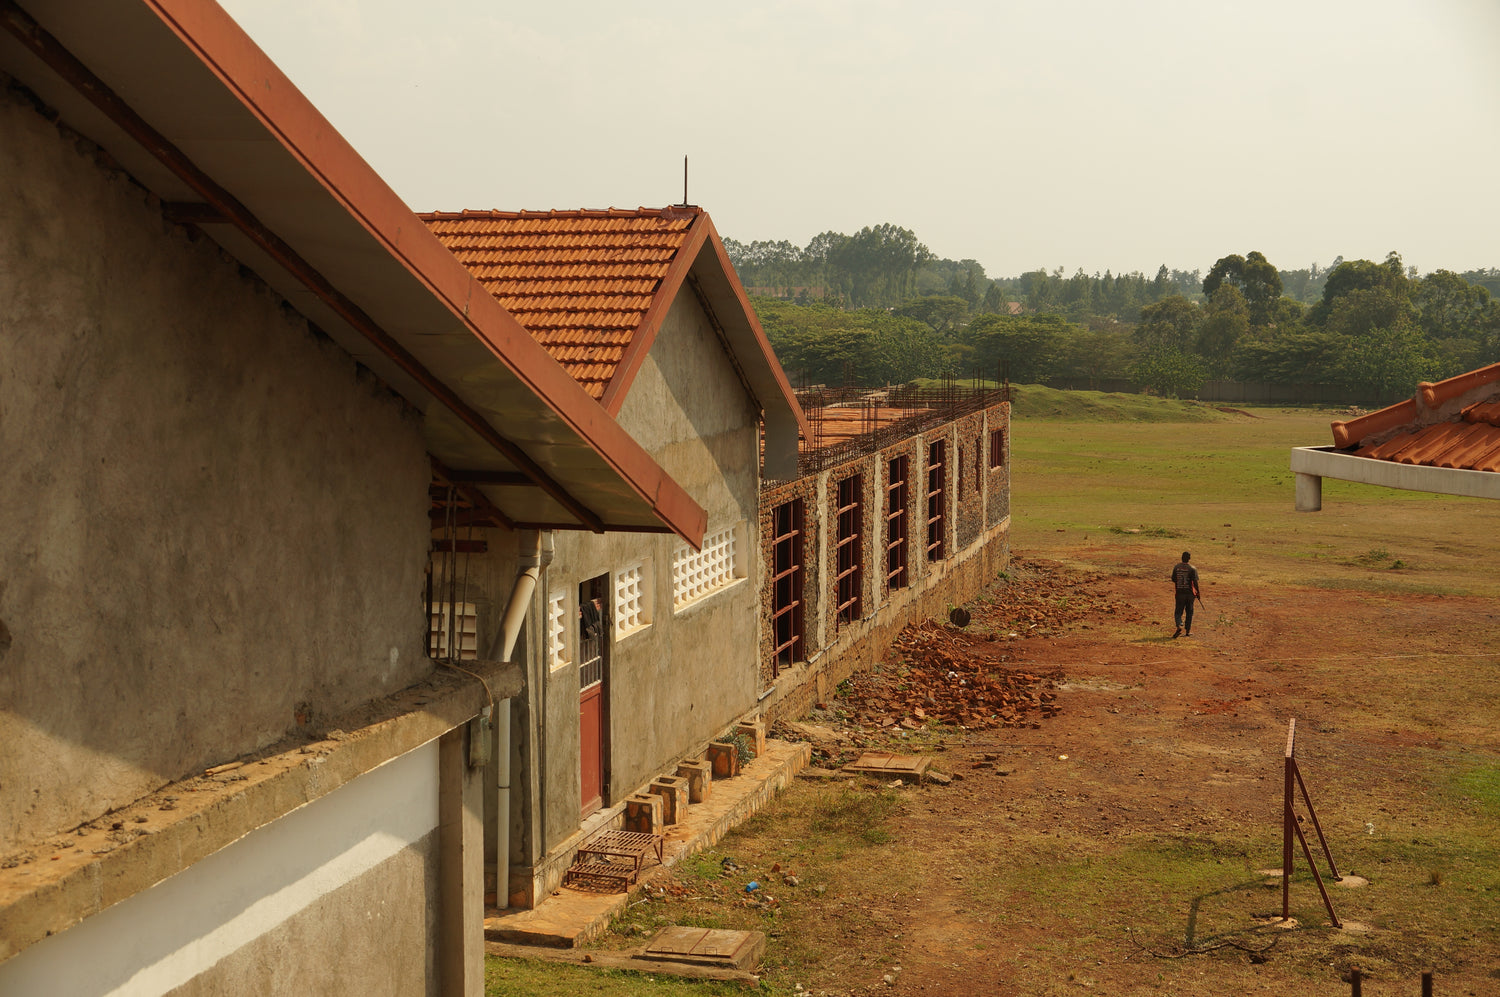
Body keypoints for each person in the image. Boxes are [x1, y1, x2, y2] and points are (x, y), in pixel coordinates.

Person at [1170, 551, 1200, 638]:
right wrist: (1198, 593)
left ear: (1181, 557)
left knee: (1178, 611)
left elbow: (1173, 579)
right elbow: (1195, 582)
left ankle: (1179, 625)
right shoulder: (1192, 568)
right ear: (1189, 558)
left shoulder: (1176, 567)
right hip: (1190, 593)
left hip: (1179, 593)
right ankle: (1187, 631)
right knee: (1189, 612)